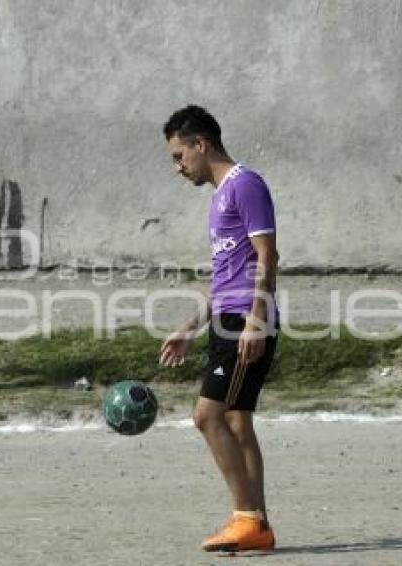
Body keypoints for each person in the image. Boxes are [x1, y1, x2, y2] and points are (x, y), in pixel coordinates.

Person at [159, 105, 279, 553]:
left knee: (206, 416)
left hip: (247, 320)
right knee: (236, 420)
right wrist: (193, 324)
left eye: (178, 156)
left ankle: (246, 518)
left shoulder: (246, 185)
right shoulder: (219, 197)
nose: (178, 167)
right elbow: (227, 273)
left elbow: (268, 257)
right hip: (227, 319)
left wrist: (255, 319)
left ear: (200, 144)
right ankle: (258, 525)